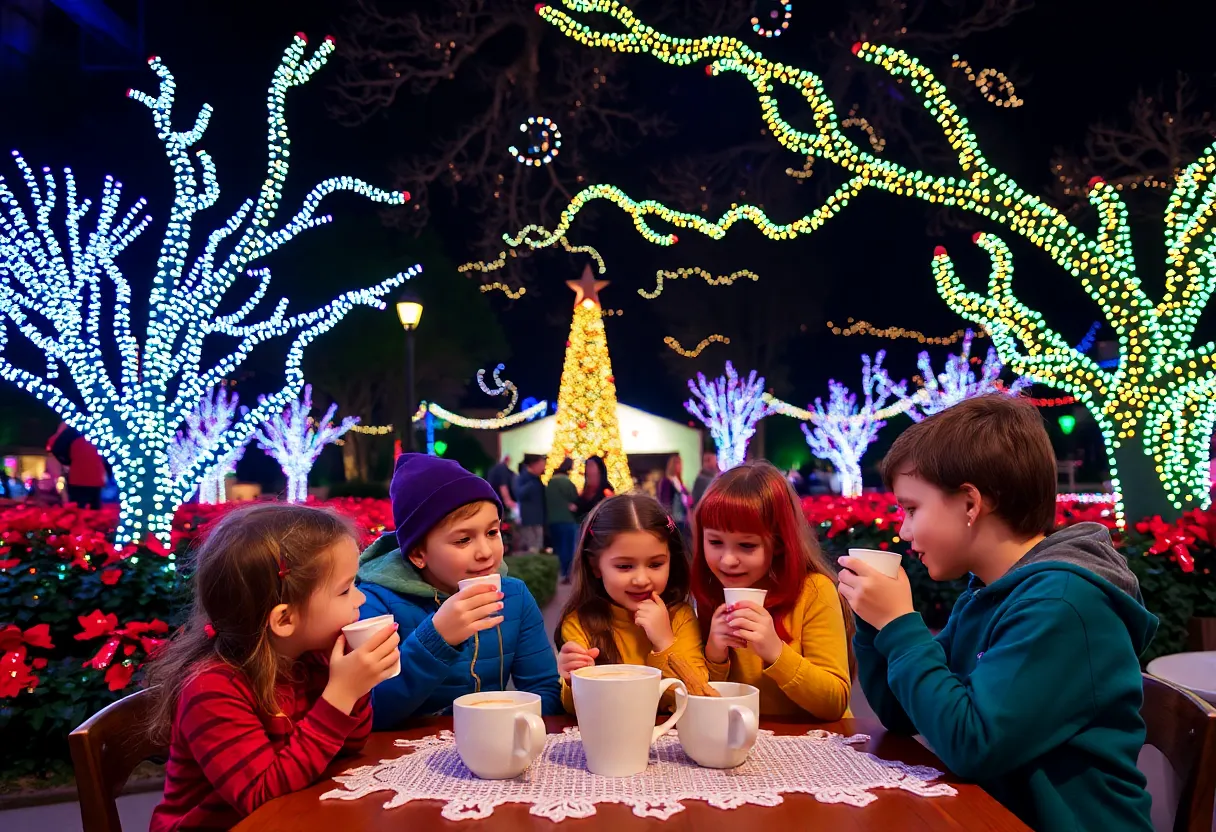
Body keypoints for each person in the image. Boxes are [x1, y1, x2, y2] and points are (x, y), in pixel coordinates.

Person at [837, 395, 1155, 832]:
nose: (904, 530)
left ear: (970, 503)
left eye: (911, 509)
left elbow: (973, 745)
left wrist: (899, 625)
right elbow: (902, 713)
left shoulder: (1061, 603)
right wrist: (875, 626)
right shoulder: (990, 592)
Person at [146, 504, 400, 831]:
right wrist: (340, 695)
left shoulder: (311, 659)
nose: (360, 599)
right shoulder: (211, 689)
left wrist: (356, 688)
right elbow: (262, 795)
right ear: (285, 619)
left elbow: (349, 746)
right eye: (345, 589)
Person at [356, 454, 561, 725]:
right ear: (418, 553)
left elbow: (544, 689)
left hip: (490, 748)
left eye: (492, 532)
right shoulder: (375, 603)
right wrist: (437, 637)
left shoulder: (514, 596)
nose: (486, 553)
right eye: (463, 540)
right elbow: (371, 713)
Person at [692, 461, 853, 719]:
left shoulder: (814, 591)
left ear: (778, 543)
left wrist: (775, 651)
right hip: (742, 743)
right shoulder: (710, 592)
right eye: (715, 542)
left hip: (816, 747)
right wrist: (715, 656)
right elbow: (702, 703)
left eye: (746, 545)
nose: (727, 560)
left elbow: (834, 702)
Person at [554, 493, 705, 713]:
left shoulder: (681, 617)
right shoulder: (580, 623)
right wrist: (571, 679)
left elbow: (698, 694)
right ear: (595, 566)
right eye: (624, 567)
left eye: (655, 564)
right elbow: (576, 710)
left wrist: (664, 642)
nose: (641, 580)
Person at [48, 422, 106, 509]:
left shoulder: (73, 430)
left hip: (79, 478)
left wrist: (66, 462)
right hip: (94, 478)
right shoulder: (98, 429)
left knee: (77, 511)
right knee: (94, 513)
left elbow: (53, 446)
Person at [545, 457, 580, 582]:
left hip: (553, 521)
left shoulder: (550, 483)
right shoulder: (567, 483)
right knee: (568, 548)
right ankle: (567, 573)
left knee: (558, 548)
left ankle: (559, 573)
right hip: (567, 520)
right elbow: (575, 498)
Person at [513, 454, 547, 553]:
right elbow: (519, 494)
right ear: (533, 465)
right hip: (529, 520)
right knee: (531, 547)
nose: (543, 467)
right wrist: (531, 484)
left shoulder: (538, 479)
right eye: (541, 464)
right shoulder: (523, 478)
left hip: (539, 519)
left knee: (538, 546)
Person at [656, 454, 692, 542]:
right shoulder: (667, 481)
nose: (680, 466)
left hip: (682, 517)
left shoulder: (679, 481)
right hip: (674, 518)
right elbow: (665, 501)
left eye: (680, 463)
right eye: (677, 463)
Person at [574, 455, 612, 520]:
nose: (588, 469)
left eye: (591, 466)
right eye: (587, 466)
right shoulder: (586, 490)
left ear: (599, 469)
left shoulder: (606, 491)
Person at [486, 453, 518, 522]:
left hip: (492, 503)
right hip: (500, 504)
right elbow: (503, 486)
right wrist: (508, 501)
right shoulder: (502, 469)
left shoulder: (493, 469)